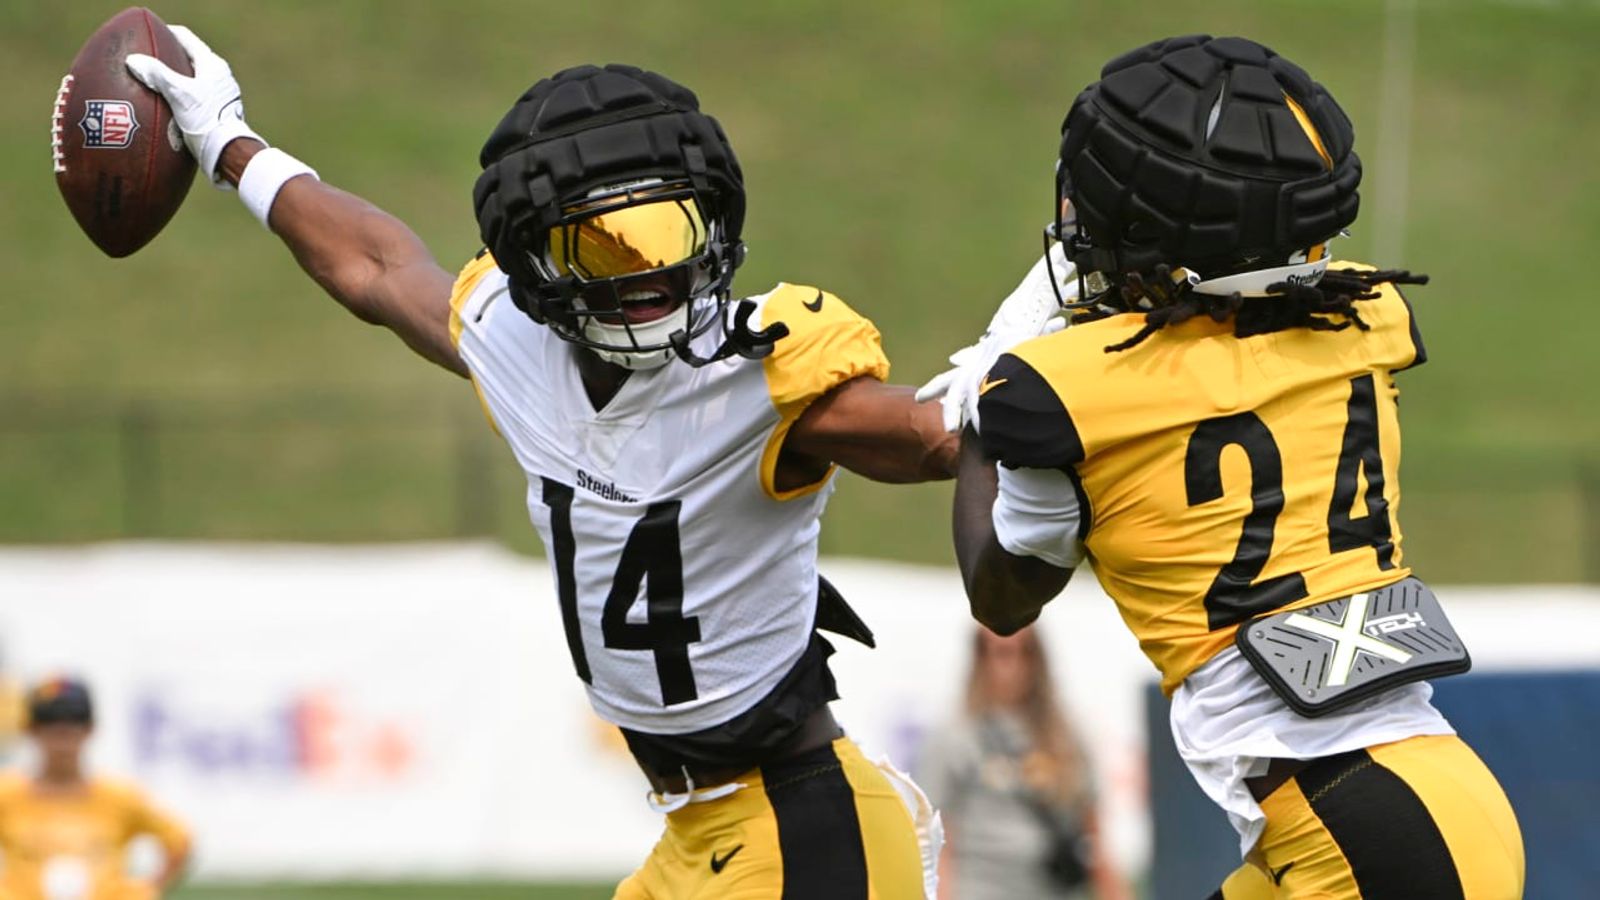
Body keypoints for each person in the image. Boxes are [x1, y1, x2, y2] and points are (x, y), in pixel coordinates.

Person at [123, 28, 1065, 899]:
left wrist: (1043, 330)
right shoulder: (513, 342)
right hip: (696, 833)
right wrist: (227, 145)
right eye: (600, 243)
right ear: (536, 264)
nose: (651, 275)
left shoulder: (764, 369)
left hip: (800, 818)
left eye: (671, 231)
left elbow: (935, 435)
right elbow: (375, 269)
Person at [927, 34, 1525, 899]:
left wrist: (987, 401)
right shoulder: (1363, 316)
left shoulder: (1062, 392)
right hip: (1413, 802)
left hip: (1362, 839)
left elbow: (1002, 596)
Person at [916, 627, 1127, 900]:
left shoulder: (1065, 736)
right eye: (1000, 653)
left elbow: (1095, 837)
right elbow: (939, 840)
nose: (1011, 667)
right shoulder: (954, 736)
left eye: (1024, 653)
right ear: (980, 659)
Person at [0, 678, 191, 900]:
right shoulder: (7, 794)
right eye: (52, 729)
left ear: (89, 730)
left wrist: (144, 890)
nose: (62, 742)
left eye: (72, 729)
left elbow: (178, 840)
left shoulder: (119, 796)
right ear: (31, 731)